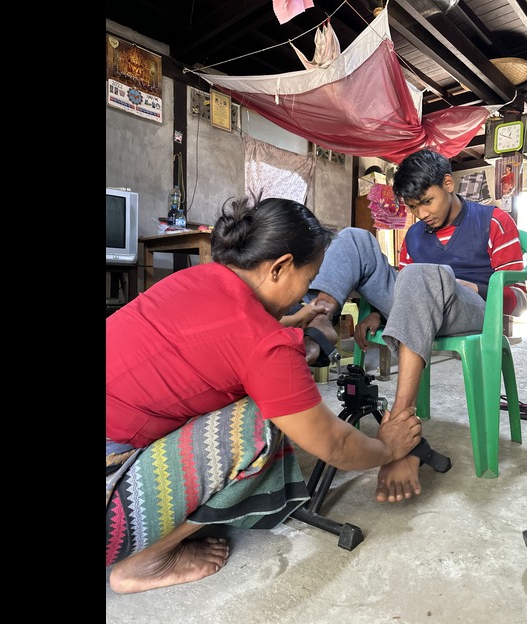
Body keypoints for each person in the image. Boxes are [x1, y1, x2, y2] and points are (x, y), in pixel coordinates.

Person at [105, 196, 423, 595]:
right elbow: (336, 444)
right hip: (111, 493)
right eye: (308, 282)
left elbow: (222, 333)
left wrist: (290, 324)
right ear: (279, 267)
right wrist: (388, 448)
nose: (305, 294)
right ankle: (145, 562)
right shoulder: (265, 345)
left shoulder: (196, 278)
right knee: (261, 423)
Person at [297, 149, 527, 504]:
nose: (421, 215)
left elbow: (520, 298)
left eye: (427, 202)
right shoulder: (416, 236)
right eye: (412, 208)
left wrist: (474, 288)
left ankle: (401, 431)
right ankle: (319, 319)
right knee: (355, 238)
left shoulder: (494, 221)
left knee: (421, 274)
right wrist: (379, 310)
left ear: (448, 184)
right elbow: (408, 292)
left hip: (472, 310)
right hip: (420, 300)